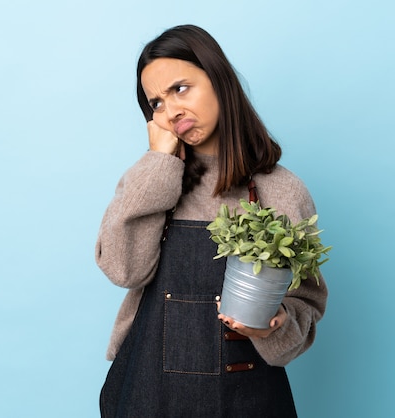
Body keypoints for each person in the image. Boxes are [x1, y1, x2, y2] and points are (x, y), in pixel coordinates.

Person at [95, 24, 328, 417]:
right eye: (156, 103)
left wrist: (274, 325)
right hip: (147, 397)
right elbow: (122, 269)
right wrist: (159, 165)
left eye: (180, 88)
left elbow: (306, 303)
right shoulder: (151, 182)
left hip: (246, 402)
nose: (171, 110)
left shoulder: (283, 191)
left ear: (219, 80)